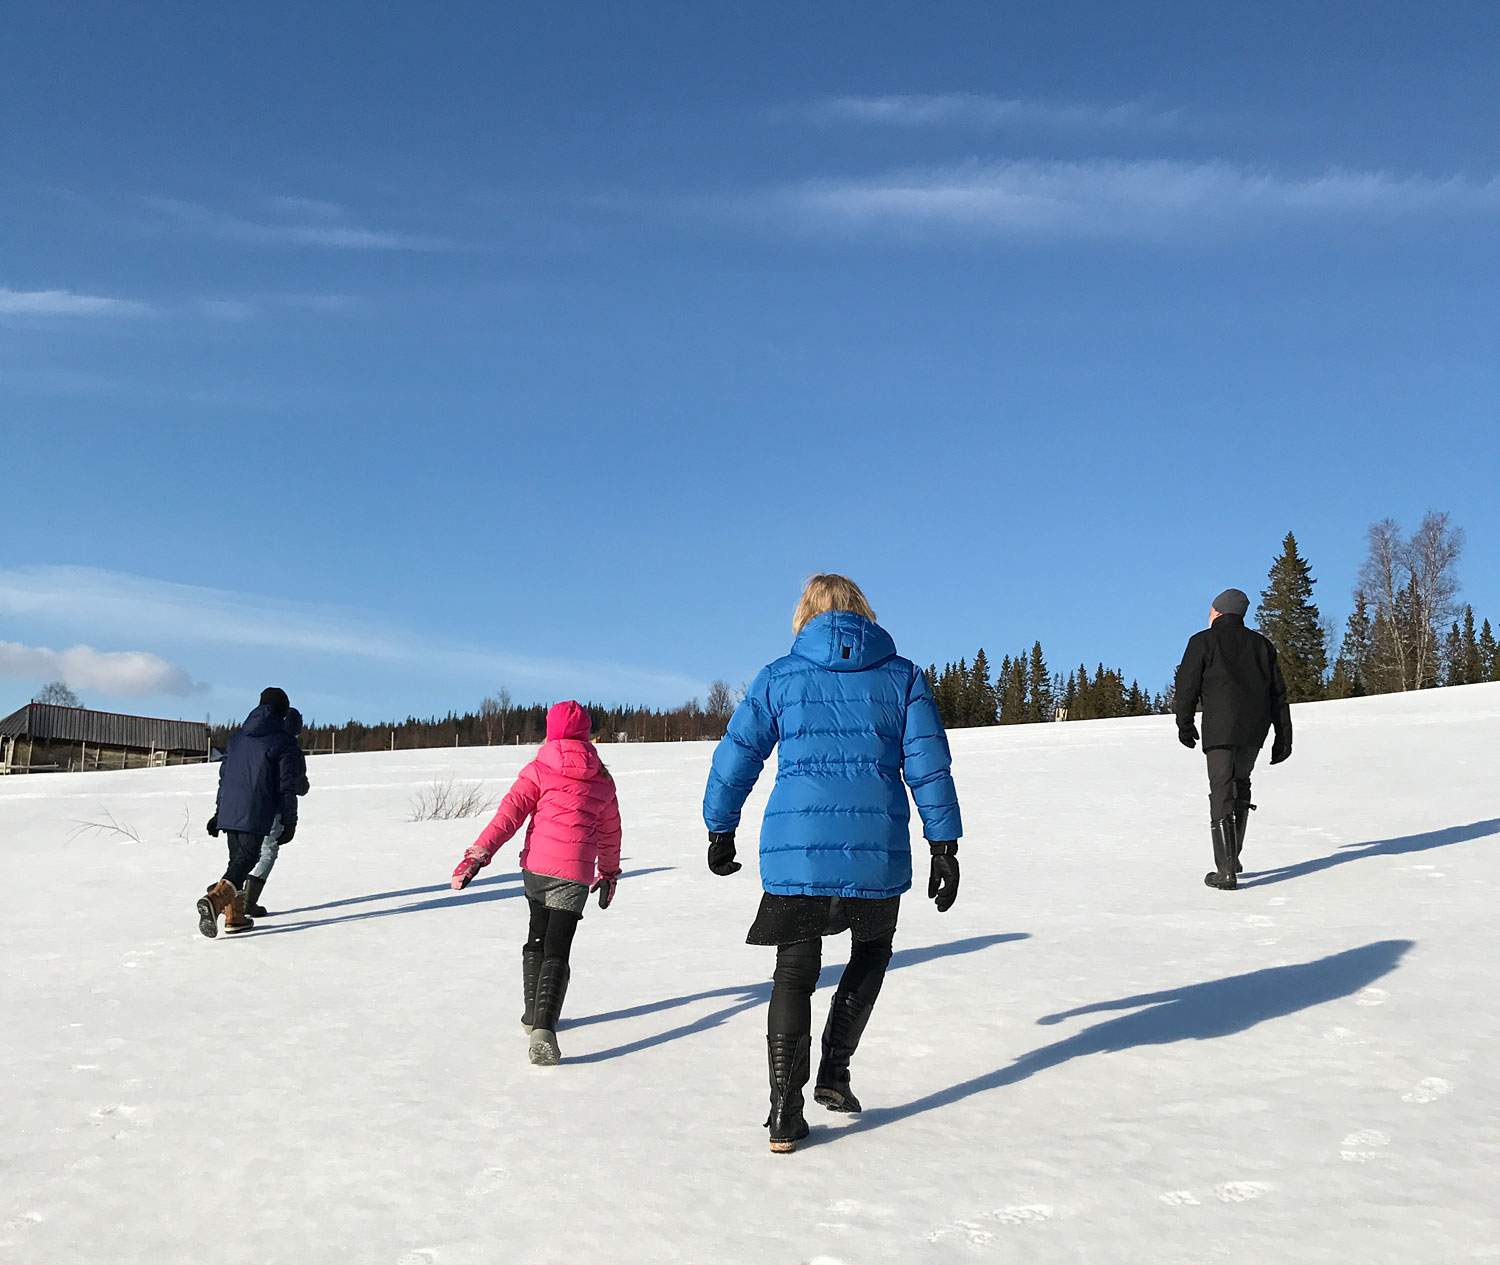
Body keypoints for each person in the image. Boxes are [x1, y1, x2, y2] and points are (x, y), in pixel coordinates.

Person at [702, 574, 962, 1154]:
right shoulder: (903, 678)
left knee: (795, 971)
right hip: (876, 848)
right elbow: (929, 765)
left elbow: (737, 753)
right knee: (871, 953)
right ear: (864, 612)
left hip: (799, 847)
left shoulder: (781, 676)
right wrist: (944, 844)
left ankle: (783, 1112)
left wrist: (720, 825)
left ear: (805, 614)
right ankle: (834, 1071)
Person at [450, 700, 622, 1066]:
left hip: (537, 869)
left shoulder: (538, 769)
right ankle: (544, 1027)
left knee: (537, 935)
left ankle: (532, 1014)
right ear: (587, 734)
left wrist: (479, 854)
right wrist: (608, 874)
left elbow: (507, 816)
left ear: (551, 731)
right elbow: (611, 834)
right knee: (558, 948)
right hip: (574, 874)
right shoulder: (602, 779)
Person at [1174, 588, 1293, 891]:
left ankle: (1225, 871)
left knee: (1222, 789)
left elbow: (1186, 686)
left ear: (1217, 611)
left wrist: (1185, 724)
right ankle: (1233, 856)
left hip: (1220, 728)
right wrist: (1283, 737)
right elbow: (1277, 694)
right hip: (1254, 729)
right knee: (1241, 783)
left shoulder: (1203, 641)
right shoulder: (1261, 645)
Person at [198, 688, 303, 937]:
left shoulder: (237, 737)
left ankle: (235, 918)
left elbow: (224, 776)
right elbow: (287, 785)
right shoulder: (283, 741)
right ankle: (214, 900)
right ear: (282, 710)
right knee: (248, 858)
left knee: (237, 861)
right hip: (256, 809)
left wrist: (219, 811)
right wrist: (290, 821)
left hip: (231, 807)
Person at [242, 708, 311, 918]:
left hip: (248, 806)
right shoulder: (291, 747)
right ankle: (245, 899)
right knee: (268, 851)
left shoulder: (256, 741)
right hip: (274, 808)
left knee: (247, 852)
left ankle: (228, 891)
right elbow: (296, 785)